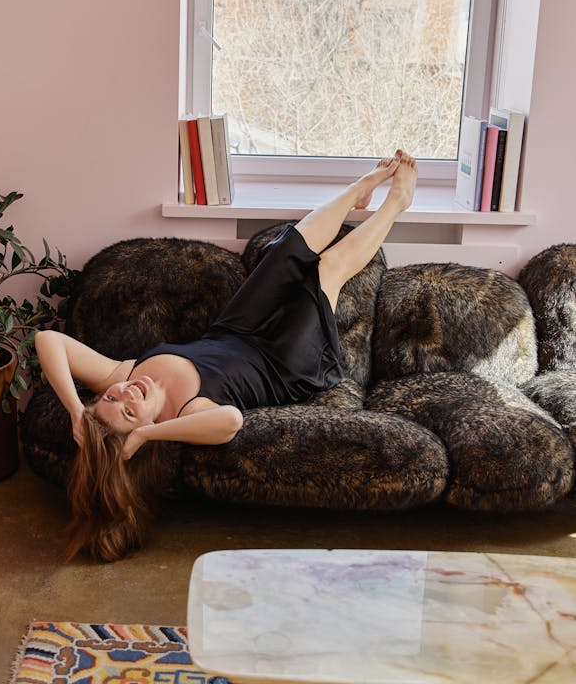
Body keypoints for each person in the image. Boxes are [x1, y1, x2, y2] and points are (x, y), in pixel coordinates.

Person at [35, 150, 418, 562]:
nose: (127, 395)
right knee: (328, 268)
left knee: (287, 246)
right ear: (143, 431)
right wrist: (146, 434)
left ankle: (360, 188)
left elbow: (47, 340)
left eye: (111, 398)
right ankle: (397, 202)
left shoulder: (122, 373)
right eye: (130, 413)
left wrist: (78, 411)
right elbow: (231, 421)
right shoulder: (184, 413)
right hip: (285, 363)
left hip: (236, 329)